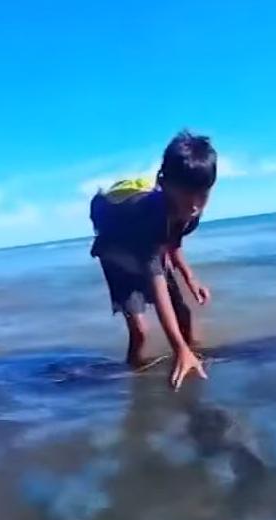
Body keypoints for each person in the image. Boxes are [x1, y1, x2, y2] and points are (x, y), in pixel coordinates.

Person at [89, 131, 216, 389]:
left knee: (185, 318)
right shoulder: (148, 214)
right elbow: (158, 288)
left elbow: (173, 242)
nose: (194, 205)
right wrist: (178, 347)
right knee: (141, 333)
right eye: (186, 193)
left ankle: (192, 369)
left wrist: (191, 279)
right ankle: (135, 382)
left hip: (150, 252)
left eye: (202, 194)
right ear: (165, 184)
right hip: (117, 257)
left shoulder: (191, 212)